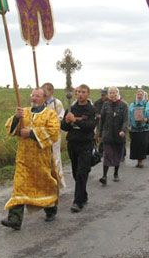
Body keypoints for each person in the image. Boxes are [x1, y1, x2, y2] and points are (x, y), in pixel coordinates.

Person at [1, 88, 60, 230]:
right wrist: (16, 117)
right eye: (32, 95)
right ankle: (14, 220)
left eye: (37, 96)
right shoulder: (24, 112)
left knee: (44, 184)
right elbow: (11, 129)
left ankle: (50, 209)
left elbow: (53, 132)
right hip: (23, 158)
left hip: (41, 159)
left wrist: (32, 133)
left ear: (44, 98)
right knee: (19, 186)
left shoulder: (49, 114)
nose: (33, 98)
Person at [61, 84, 96, 213]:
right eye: (78, 92)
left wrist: (75, 120)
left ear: (88, 94)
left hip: (85, 144)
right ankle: (83, 194)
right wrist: (67, 121)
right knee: (76, 173)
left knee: (82, 172)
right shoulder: (71, 108)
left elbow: (90, 126)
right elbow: (64, 127)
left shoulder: (92, 110)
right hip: (73, 143)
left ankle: (78, 202)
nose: (80, 94)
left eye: (83, 92)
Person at [98, 86, 128, 185]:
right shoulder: (106, 105)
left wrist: (123, 130)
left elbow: (125, 120)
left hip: (119, 135)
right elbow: (101, 120)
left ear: (117, 93)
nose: (112, 94)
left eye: (114, 92)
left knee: (117, 155)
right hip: (107, 134)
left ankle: (116, 173)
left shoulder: (123, 105)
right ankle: (104, 176)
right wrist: (100, 134)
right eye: (110, 93)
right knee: (107, 154)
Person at [41, 82, 66, 188]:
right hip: (42, 134)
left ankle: (58, 182)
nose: (44, 93)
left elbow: (61, 116)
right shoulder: (40, 103)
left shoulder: (57, 103)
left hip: (54, 134)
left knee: (55, 157)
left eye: (46, 90)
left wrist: (51, 122)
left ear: (51, 92)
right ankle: (45, 182)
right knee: (43, 157)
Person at [128, 89, 149, 168]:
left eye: (141, 95)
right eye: (138, 94)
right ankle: (138, 160)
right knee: (135, 144)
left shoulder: (148, 104)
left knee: (143, 144)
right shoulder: (132, 105)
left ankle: (141, 161)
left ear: (144, 96)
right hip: (134, 128)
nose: (139, 96)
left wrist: (148, 119)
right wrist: (129, 125)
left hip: (144, 128)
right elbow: (128, 116)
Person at [94, 89, 109, 154]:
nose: (103, 96)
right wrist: (96, 115)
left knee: (106, 135)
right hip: (98, 122)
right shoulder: (97, 102)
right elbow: (94, 111)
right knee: (99, 135)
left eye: (104, 95)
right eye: (102, 95)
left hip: (107, 122)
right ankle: (100, 149)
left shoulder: (109, 102)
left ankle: (104, 149)